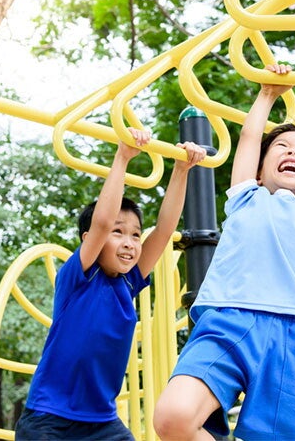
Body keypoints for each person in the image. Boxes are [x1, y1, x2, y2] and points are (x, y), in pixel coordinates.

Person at [153, 64, 295, 441]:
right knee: (173, 417)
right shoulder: (247, 197)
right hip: (229, 321)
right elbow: (248, 138)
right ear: (260, 170)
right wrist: (267, 93)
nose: (294, 150)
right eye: (282, 147)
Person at [15, 127, 207, 441]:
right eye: (119, 233)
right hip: (49, 419)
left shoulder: (127, 284)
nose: (130, 242)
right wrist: (123, 157)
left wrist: (182, 171)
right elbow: (102, 222)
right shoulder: (77, 278)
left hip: (102, 424)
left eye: (134, 234)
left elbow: (163, 230)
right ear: (88, 241)